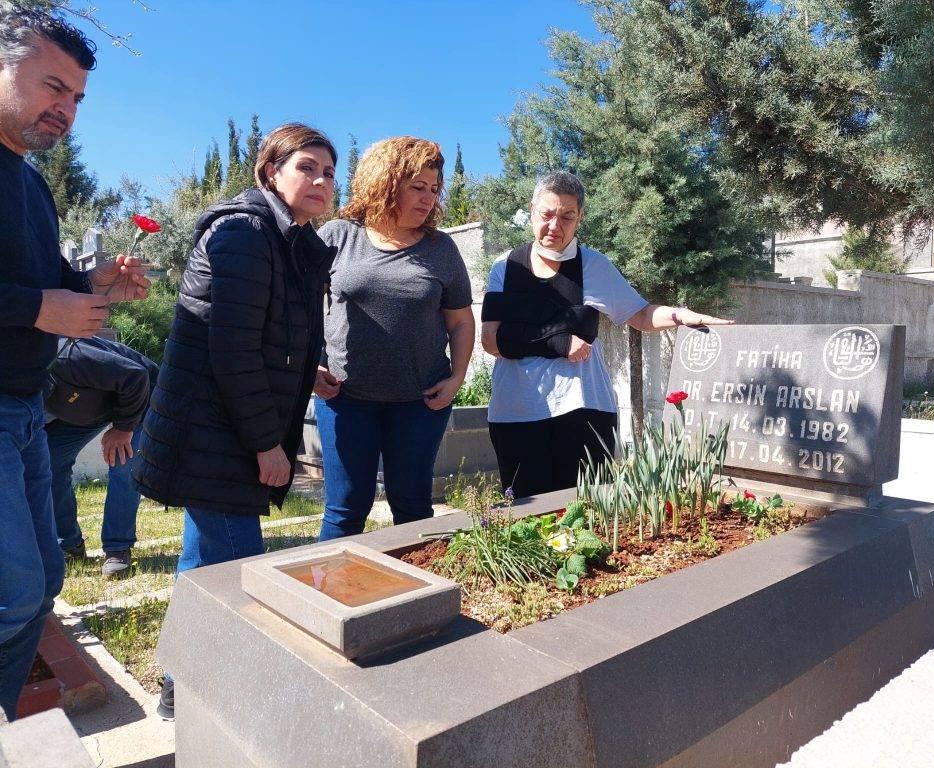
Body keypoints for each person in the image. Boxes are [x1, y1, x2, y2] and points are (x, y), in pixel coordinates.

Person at [133, 123, 337, 719]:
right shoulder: (246, 233)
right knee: (237, 569)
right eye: (307, 167)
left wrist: (307, 370)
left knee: (205, 562)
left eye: (329, 172)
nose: (322, 181)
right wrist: (267, 444)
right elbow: (232, 351)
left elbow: (262, 331)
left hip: (220, 429)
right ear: (271, 171)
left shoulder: (285, 238)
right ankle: (230, 701)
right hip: (216, 433)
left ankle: (182, 684)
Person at [0, 6, 149, 723]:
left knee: (44, 584)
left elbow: (48, 282)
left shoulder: (31, 184)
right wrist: (38, 308)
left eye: (78, 98)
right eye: (53, 86)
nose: (66, 109)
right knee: (15, 593)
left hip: (26, 410)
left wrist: (94, 286)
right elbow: (33, 299)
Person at [481, 171, 732, 498]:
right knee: (526, 518)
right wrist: (559, 343)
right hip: (515, 414)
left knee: (587, 512)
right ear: (531, 210)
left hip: (584, 409)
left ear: (579, 218)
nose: (555, 225)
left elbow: (640, 314)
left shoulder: (593, 265)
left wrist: (680, 315)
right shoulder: (506, 267)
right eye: (547, 214)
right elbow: (492, 341)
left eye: (567, 216)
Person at [315, 136, 474, 539]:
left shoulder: (441, 249)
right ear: (385, 182)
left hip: (421, 403)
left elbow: (460, 321)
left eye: (434, 189)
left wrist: (457, 378)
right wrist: (309, 366)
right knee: (345, 509)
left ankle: (417, 581)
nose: (428, 198)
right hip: (345, 399)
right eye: (417, 187)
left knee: (413, 506)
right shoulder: (337, 236)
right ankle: (327, 580)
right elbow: (298, 309)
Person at [44, 336, 159, 578]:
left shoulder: (67, 356)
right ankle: (69, 544)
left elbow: (136, 376)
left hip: (139, 396)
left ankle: (118, 548)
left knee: (122, 462)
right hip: (87, 407)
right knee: (48, 462)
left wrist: (123, 428)